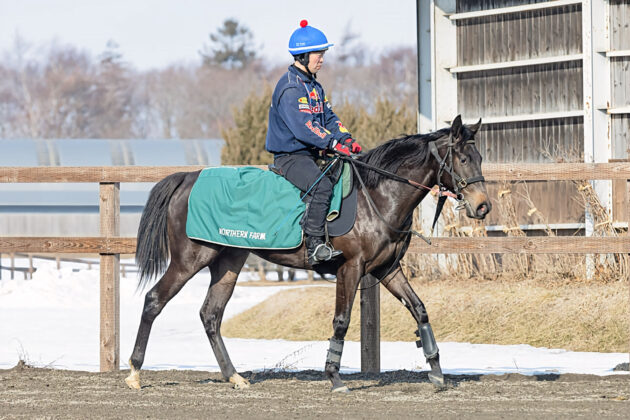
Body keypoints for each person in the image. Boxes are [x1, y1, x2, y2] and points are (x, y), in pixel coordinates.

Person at [265, 19, 362, 265]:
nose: (322, 58)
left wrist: (346, 138)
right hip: (291, 158)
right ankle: (314, 245)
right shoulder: (290, 88)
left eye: (323, 53)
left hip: (312, 155)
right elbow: (304, 127)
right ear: (303, 55)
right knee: (321, 186)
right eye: (319, 54)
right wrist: (332, 144)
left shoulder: (314, 86)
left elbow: (328, 117)